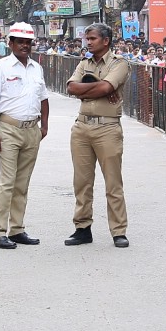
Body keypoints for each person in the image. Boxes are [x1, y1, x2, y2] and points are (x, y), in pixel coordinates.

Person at [63, 23, 131, 248]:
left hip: (108, 128)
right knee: (82, 182)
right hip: (81, 128)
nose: (88, 42)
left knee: (113, 183)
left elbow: (105, 88)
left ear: (106, 41)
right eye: (87, 38)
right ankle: (82, 228)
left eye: (92, 38)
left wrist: (93, 90)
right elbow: (72, 88)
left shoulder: (119, 64)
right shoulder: (84, 63)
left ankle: (118, 231)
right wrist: (99, 89)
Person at [0, 23, 48, 249]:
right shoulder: (1, 67)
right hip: (8, 130)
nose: (25, 45)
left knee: (23, 183)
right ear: (10, 43)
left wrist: (44, 126)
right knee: (8, 182)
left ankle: (17, 229)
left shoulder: (36, 68)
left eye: (28, 42)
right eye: (20, 41)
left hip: (32, 130)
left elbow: (43, 98)